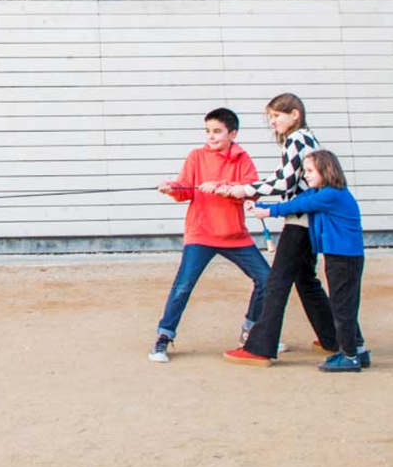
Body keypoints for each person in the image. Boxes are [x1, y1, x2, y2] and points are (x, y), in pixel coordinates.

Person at [220, 93, 337, 366]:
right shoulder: (306, 138)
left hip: (300, 221)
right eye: (270, 117)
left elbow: (284, 182)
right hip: (310, 219)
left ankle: (260, 347)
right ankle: (337, 338)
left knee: (277, 283)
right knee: (306, 281)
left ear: (295, 114)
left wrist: (244, 189)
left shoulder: (297, 140)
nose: (272, 122)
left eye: (277, 116)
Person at [148, 108, 266, 363]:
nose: (211, 137)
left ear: (232, 133)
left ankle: (251, 331)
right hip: (200, 234)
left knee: (267, 279)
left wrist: (222, 186)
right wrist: (170, 188)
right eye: (208, 131)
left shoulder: (243, 159)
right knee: (183, 286)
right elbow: (184, 189)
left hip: (235, 236)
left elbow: (252, 190)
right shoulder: (196, 156)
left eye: (217, 132)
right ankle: (163, 338)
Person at [246, 150, 370, 372]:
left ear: (326, 170)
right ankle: (356, 351)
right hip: (339, 256)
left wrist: (268, 212)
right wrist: (261, 205)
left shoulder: (331, 194)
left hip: (344, 259)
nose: (305, 176)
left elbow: (296, 207)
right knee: (343, 303)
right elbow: (300, 199)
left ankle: (350, 356)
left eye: (310, 171)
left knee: (342, 306)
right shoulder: (321, 192)